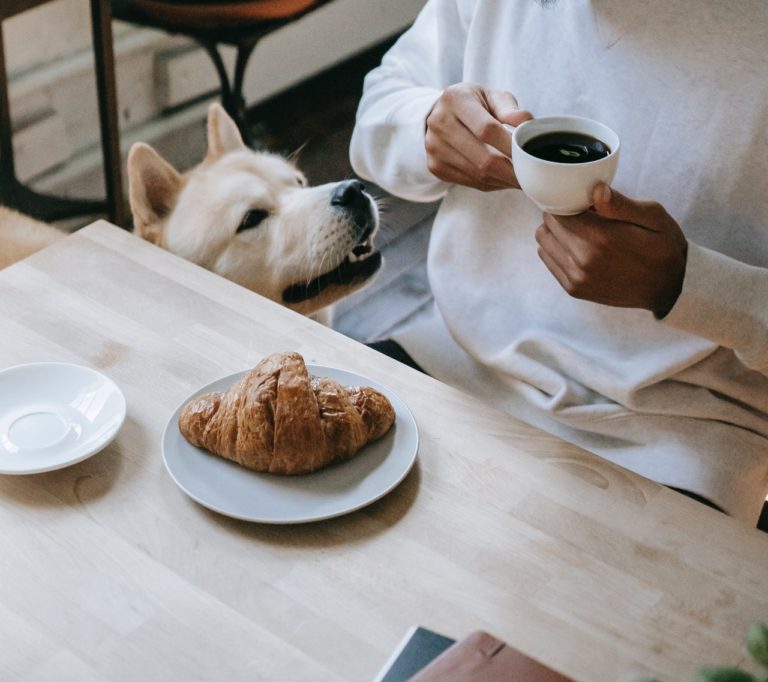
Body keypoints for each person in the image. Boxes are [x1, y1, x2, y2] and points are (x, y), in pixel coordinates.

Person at [349, 0, 768, 526]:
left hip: (685, 436)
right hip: (455, 364)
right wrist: (427, 125)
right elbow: (378, 111)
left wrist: (688, 285)